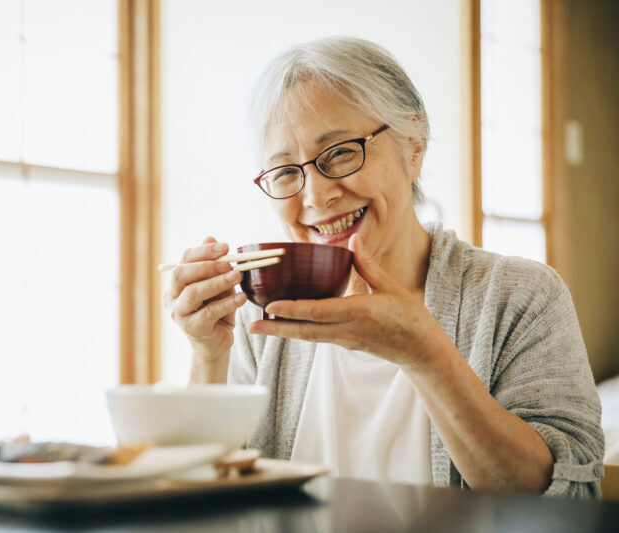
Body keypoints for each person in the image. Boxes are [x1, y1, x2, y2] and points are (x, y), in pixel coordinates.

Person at [163, 37, 603, 497]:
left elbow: (569, 501)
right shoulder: (263, 316)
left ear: (413, 146)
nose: (315, 196)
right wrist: (208, 354)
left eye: (339, 153)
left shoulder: (520, 296)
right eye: (287, 172)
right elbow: (204, 500)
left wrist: (426, 356)